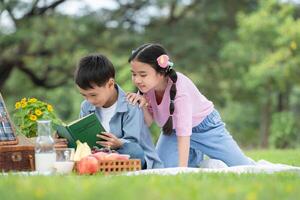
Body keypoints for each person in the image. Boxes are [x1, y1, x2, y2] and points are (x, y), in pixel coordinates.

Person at [126, 43, 253, 168]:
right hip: (172, 131)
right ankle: (198, 161)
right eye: (134, 74)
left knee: (243, 167)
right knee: (161, 168)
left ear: (160, 73)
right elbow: (147, 123)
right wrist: (142, 105)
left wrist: (182, 170)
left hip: (205, 128)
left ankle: (197, 159)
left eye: (143, 75)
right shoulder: (146, 88)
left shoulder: (180, 90)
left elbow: (184, 133)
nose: (137, 80)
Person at [74, 53, 163, 169]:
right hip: (100, 156)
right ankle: (100, 164)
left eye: (93, 95)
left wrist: (119, 143)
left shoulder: (131, 105)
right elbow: (83, 141)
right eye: (84, 96)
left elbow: (134, 145)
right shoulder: (86, 106)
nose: (89, 100)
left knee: (134, 151)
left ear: (110, 84)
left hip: (130, 156)